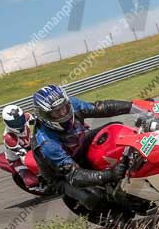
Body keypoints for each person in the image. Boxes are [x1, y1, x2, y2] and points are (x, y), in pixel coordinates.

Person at [31, 84, 137, 213]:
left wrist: (134, 107)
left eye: (64, 108)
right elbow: (74, 175)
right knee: (93, 197)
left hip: (80, 145)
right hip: (62, 175)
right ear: (44, 115)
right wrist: (110, 175)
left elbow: (100, 108)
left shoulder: (72, 105)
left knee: (115, 128)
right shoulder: (46, 143)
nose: (63, 113)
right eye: (56, 112)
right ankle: (115, 217)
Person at [1, 104, 42, 191]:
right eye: (14, 123)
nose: (19, 124)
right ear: (6, 123)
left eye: (20, 120)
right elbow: (23, 156)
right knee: (31, 181)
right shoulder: (9, 137)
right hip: (17, 158)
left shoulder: (26, 117)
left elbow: (40, 118)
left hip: (30, 144)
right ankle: (37, 186)